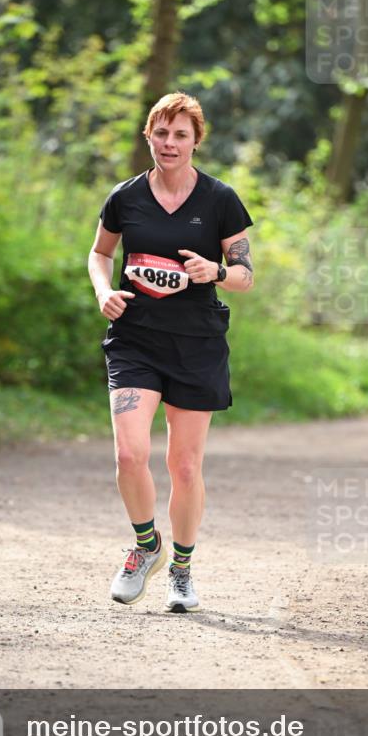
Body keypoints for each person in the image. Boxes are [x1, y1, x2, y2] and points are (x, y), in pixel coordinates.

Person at [87, 92, 254, 613]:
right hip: (136, 339)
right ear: (149, 136)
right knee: (129, 454)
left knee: (184, 466)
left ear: (195, 141)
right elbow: (100, 253)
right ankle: (145, 548)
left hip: (197, 345)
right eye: (161, 133)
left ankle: (182, 568)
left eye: (181, 135)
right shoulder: (125, 197)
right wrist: (102, 291)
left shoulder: (220, 200)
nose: (169, 143)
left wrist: (218, 272)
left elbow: (247, 274)